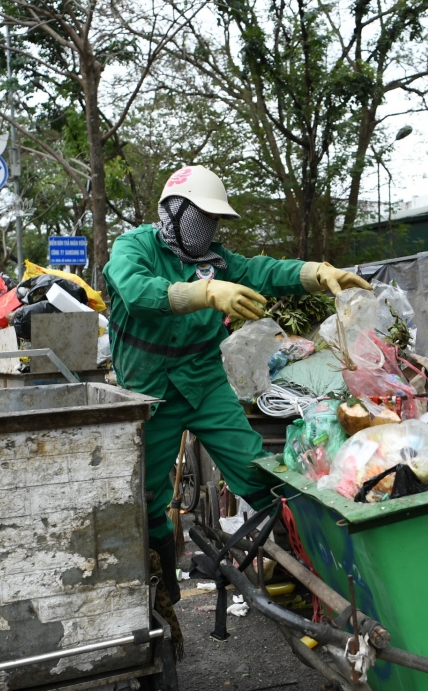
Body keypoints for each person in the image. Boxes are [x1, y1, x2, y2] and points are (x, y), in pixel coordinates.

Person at [103, 164, 370, 603]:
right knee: (146, 499)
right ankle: (159, 593)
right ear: (173, 212)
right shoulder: (133, 247)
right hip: (148, 392)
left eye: (213, 221)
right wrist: (205, 293)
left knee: (255, 471)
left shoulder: (218, 261)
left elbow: (265, 271)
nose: (207, 230)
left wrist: (316, 273)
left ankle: (306, 568)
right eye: (199, 218)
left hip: (205, 384)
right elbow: (136, 292)